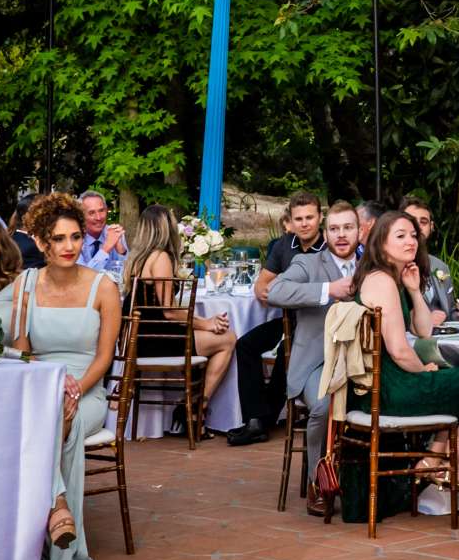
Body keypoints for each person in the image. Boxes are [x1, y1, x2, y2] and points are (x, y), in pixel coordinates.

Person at [340, 209, 459, 521]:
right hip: (387, 388)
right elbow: (399, 350)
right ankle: (441, 459)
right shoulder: (381, 281)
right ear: (380, 243)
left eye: (413, 235)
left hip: (384, 383)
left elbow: (423, 330)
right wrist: (424, 371)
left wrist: (415, 290)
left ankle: (436, 457)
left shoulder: (392, 278)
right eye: (401, 236)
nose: (411, 241)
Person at [4, 193, 121, 560]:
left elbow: (104, 359)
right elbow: (21, 351)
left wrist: (74, 388)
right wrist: (51, 383)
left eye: (74, 237)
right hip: (40, 386)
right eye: (58, 239)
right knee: (49, 420)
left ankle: (47, 531)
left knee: (61, 420)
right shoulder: (25, 284)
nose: (69, 246)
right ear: (40, 241)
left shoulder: (104, 287)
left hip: (87, 390)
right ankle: (59, 509)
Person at [269, 201, 363, 516]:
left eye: (347, 228)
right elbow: (275, 291)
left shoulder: (373, 265)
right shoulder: (307, 263)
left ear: (359, 231)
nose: (341, 235)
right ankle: (316, 481)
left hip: (361, 363)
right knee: (322, 406)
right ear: (326, 232)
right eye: (334, 229)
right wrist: (328, 290)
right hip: (317, 363)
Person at [121, 203, 239, 431]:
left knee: (211, 332)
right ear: (166, 228)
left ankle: (192, 406)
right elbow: (169, 311)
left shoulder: (136, 258)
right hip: (154, 339)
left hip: (137, 338)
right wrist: (207, 323)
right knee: (227, 339)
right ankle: (195, 407)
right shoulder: (161, 258)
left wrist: (204, 325)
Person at [226, 190, 325, 445]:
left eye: (309, 218)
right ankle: (255, 420)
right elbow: (261, 284)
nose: (304, 223)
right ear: (290, 220)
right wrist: (276, 294)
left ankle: (264, 420)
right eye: (299, 218)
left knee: (286, 353)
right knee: (245, 344)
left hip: (316, 324)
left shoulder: (329, 245)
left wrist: (287, 291)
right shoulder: (284, 244)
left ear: (320, 218)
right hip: (287, 319)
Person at [401, 192, 456, 320]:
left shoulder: (441, 266)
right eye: (412, 221)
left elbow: (451, 310)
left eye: (423, 222)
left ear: (431, 227)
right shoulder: (393, 266)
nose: (418, 227)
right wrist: (423, 319)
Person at [78, 191, 128, 277]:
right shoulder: (75, 238)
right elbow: (83, 278)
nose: (98, 217)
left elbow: (128, 275)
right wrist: (106, 249)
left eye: (101, 211)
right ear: (80, 216)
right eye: (91, 213)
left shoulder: (114, 233)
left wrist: (121, 252)